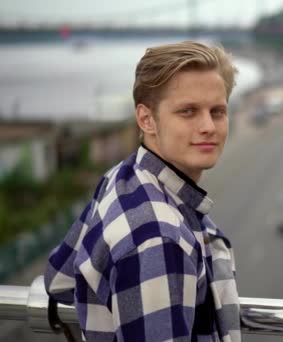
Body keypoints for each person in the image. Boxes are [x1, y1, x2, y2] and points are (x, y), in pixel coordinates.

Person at [44, 41, 241, 342]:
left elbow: (59, 279)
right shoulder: (158, 238)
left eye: (217, 111)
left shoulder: (122, 177)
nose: (208, 126)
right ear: (146, 119)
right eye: (188, 111)